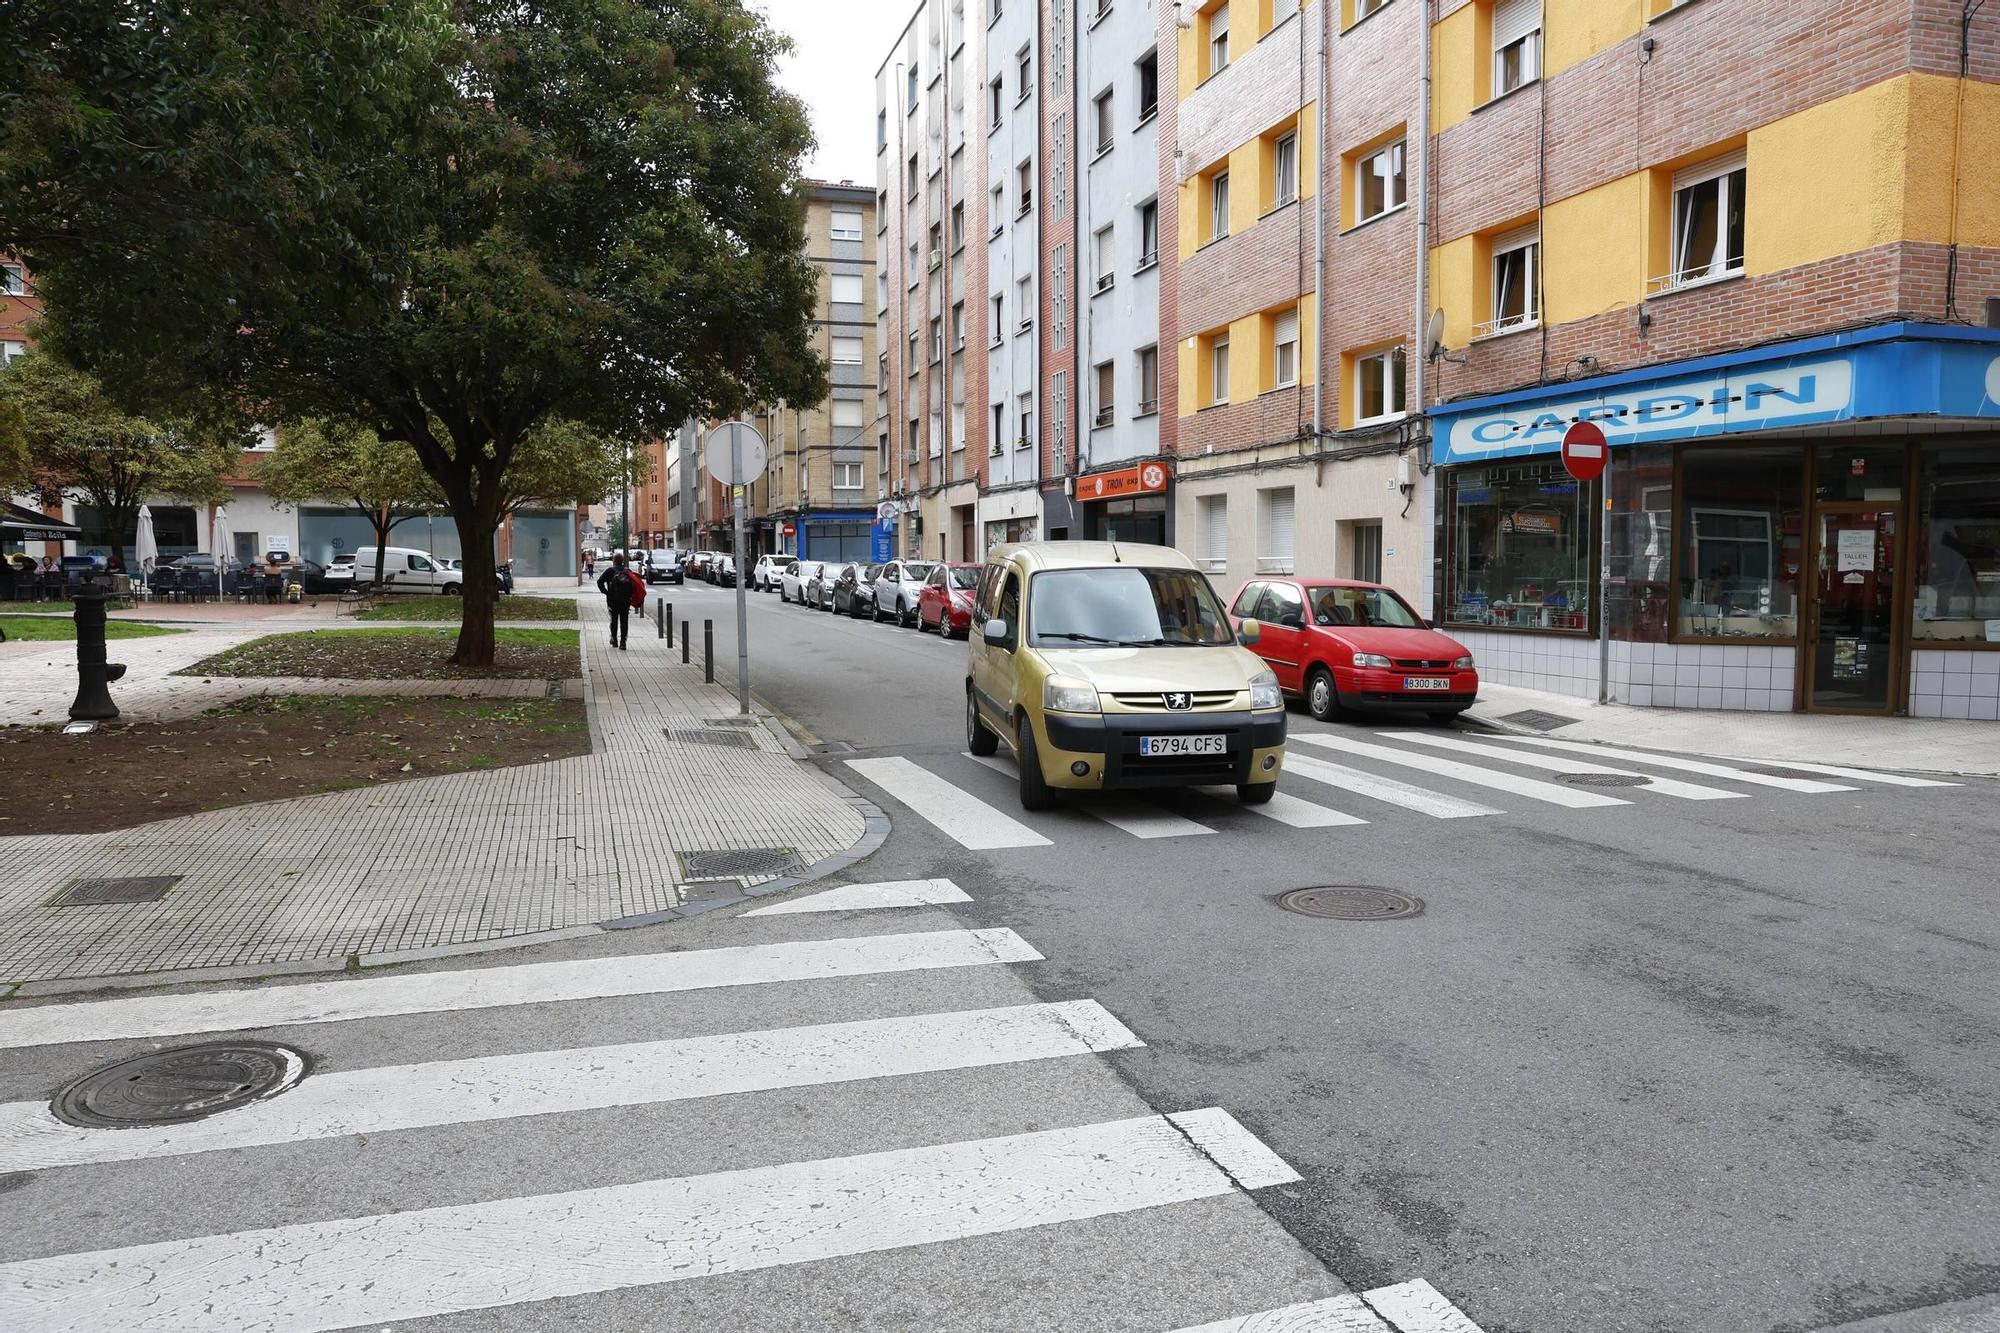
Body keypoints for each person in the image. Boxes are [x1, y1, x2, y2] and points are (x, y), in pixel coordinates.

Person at [596, 550, 636, 650]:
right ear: (622, 561)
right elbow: (634, 585)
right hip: (625, 601)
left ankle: (614, 640)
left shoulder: (610, 571)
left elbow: (599, 582)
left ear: (614, 560)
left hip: (613, 600)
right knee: (624, 621)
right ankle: (623, 642)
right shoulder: (627, 571)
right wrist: (629, 596)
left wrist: (606, 592)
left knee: (613, 620)